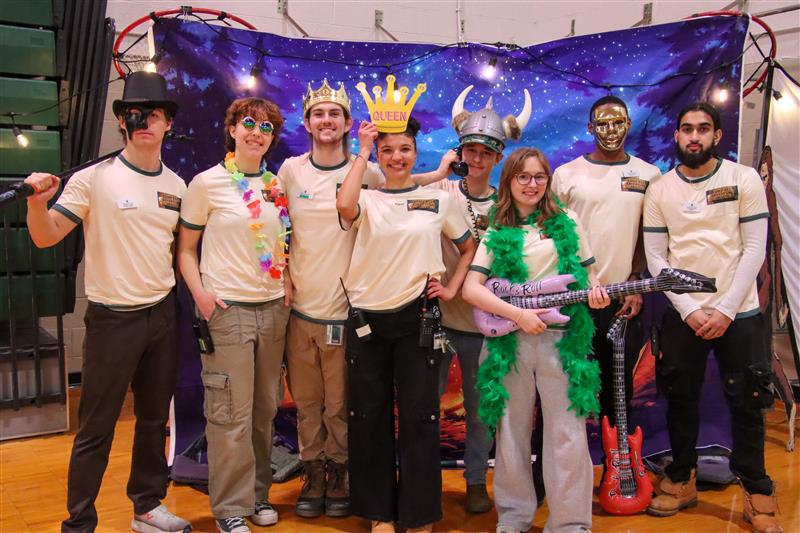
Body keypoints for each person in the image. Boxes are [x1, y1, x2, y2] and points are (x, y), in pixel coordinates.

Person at [23, 71, 192, 533]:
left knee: (154, 419)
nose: (144, 122)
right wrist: (38, 203)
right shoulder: (92, 179)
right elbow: (46, 237)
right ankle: (79, 522)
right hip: (112, 319)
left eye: (154, 115)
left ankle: (147, 507)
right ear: (122, 122)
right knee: (96, 428)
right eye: (134, 114)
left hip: (161, 314)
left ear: (167, 125)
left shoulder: (177, 186)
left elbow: (182, 252)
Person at [337, 96, 476, 531]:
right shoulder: (367, 197)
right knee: (370, 416)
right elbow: (343, 207)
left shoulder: (438, 199)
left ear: (417, 152)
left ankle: (418, 515)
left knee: (420, 418)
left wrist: (452, 287)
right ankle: (379, 513)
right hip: (367, 323)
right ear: (379, 155)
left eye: (405, 150)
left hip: (419, 320)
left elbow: (469, 245)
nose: (397, 158)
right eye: (388, 151)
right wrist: (360, 151)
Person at [643, 102, 782, 533]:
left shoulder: (743, 180)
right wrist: (690, 309)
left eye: (704, 129)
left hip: (738, 314)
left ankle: (757, 489)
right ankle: (682, 478)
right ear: (677, 136)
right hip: (685, 314)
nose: (694, 137)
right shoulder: (660, 190)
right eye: (686, 129)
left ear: (717, 136)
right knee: (679, 398)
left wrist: (724, 309)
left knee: (748, 402)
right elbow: (656, 258)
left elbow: (753, 249)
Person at [463, 147, 610, 533]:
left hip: (563, 343)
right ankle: (513, 518)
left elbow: (590, 277)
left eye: (539, 176)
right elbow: (472, 289)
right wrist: (518, 315)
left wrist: (597, 294)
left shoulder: (569, 222)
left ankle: (571, 523)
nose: (532, 184)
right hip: (510, 342)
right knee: (510, 433)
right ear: (509, 181)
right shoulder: (497, 230)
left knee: (567, 435)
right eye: (523, 176)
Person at [414, 85, 531, 513]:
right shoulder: (442, 191)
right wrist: (436, 172)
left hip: (486, 326)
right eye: (470, 150)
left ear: (498, 157)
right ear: (461, 151)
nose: (476, 159)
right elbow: (396, 188)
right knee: (426, 407)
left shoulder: (508, 205)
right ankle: (423, 483)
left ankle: (476, 481)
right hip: (439, 319)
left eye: (486, 153)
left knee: (482, 411)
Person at [177, 97, 289, 533]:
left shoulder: (275, 184)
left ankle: (258, 496)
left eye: (265, 127)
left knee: (264, 411)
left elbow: (280, 246)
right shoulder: (206, 183)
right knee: (230, 414)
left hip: (273, 310)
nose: (256, 132)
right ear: (232, 129)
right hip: (227, 311)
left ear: (272, 138)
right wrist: (202, 295)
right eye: (248, 123)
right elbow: (185, 249)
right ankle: (229, 508)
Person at [278, 80, 383, 519]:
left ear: (346, 124)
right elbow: (275, 231)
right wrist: (281, 276)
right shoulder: (289, 171)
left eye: (334, 114)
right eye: (318, 114)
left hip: (345, 312)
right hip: (301, 309)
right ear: (307, 122)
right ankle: (313, 470)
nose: (326, 121)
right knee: (306, 403)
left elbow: (402, 198)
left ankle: (339, 470)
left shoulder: (368, 172)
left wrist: (443, 179)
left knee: (339, 405)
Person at [551, 95, 660, 435]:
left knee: (618, 391)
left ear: (629, 124)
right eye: (602, 123)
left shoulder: (649, 174)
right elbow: (552, 235)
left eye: (618, 122)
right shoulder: (565, 174)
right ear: (589, 127)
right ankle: (569, 473)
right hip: (572, 301)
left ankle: (617, 472)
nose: (611, 130)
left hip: (622, 299)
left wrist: (635, 279)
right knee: (568, 389)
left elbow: (651, 232)